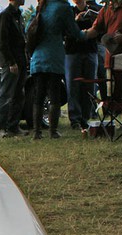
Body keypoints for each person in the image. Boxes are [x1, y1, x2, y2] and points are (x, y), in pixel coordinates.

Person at [29, 0, 86, 139]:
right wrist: (86, 33)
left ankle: (37, 132)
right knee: (55, 95)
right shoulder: (63, 7)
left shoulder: (41, 7)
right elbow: (74, 32)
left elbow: (27, 29)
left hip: (37, 57)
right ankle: (53, 131)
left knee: (39, 96)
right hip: (54, 57)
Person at [0, 0, 28, 137]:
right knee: (6, 94)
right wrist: (10, 62)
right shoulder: (5, 15)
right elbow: (2, 41)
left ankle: (13, 126)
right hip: (12, 61)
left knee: (19, 94)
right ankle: (0, 127)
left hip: (21, 60)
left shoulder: (18, 14)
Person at [65, 0, 99, 129]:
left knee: (89, 86)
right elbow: (66, 31)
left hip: (90, 51)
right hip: (72, 52)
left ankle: (86, 117)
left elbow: (100, 30)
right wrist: (76, 20)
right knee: (72, 86)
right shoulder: (69, 11)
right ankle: (75, 119)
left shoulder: (94, 11)